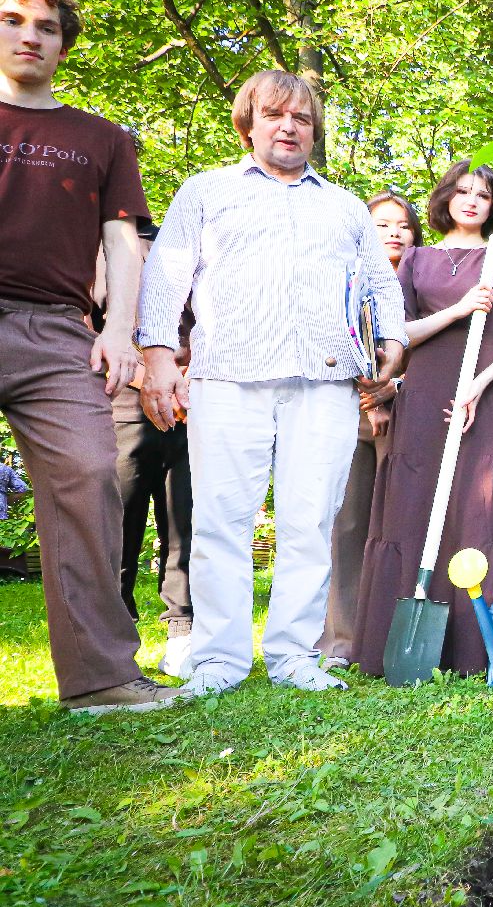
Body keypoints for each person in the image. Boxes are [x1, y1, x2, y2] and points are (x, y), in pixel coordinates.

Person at [137, 69, 407, 696]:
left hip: (325, 381)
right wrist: (155, 358)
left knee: (310, 522)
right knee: (221, 522)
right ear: (248, 123)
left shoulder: (343, 207)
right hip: (228, 376)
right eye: (275, 115)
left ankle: (292, 656)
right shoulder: (205, 192)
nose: (289, 127)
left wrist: (392, 341)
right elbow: (166, 276)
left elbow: (379, 283)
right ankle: (218, 660)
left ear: (315, 131)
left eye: (303, 118)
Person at [0, 0, 183, 714]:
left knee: (88, 480)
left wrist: (119, 332)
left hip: (55, 332)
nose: (29, 36)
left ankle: (101, 678)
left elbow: (123, 242)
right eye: (11, 20)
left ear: (64, 45)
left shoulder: (101, 139)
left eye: (45, 26)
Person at [352, 160, 493, 677]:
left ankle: (478, 651)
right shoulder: (414, 259)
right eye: (463, 192)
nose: (472, 201)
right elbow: (400, 333)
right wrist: (458, 310)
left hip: (486, 394)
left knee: (481, 509)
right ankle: (401, 645)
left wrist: (478, 384)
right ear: (446, 199)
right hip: (426, 394)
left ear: (492, 203)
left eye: (483, 194)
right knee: (414, 506)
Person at [319, 190, 423, 669]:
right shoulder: (342, 278)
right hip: (348, 413)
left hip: (411, 417)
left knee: (400, 524)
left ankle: (392, 633)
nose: (395, 233)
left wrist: (394, 384)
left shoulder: (423, 281)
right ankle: (341, 639)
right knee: (349, 523)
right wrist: (368, 395)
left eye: (403, 224)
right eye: (382, 224)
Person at [100, 226, 194, 678]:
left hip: (188, 405)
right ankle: (115, 638)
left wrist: (184, 381)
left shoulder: (183, 244)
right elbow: (88, 328)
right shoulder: (102, 249)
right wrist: (147, 380)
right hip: (123, 402)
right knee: (121, 520)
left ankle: (183, 630)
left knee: (185, 518)